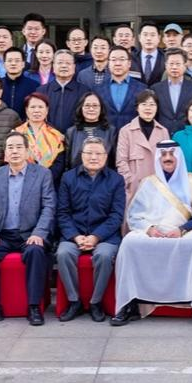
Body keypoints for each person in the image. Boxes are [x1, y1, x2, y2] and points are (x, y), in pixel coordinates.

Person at [111, 142, 192, 327]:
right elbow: (135, 215)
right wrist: (149, 228)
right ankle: (130, 304)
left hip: (182, 232)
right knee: (129, 242)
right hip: (153, 232)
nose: (168, 158)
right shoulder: (148, 182)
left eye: (172, 154)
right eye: (163, 154)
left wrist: (181, 229)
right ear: (158, 158)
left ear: (179, 157)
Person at [0, 133, 57, 327]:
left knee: (36, 251)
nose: (14, 151)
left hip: (30, 233)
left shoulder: (43, 174)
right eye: (10, 147)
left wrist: (39, 233)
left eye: (19, 147)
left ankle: (34, 306)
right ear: (5, 153)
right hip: (3, 234)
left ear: (27, 151)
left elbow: (49, 207)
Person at [55, 136, 125, 323]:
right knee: (63, 254)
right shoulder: (68, 178)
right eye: (89, 153)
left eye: (98, 153)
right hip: (74, 234)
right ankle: (74, 301)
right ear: (82, 155)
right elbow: (62, 213)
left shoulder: (116, 180)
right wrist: (76, 236)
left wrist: (95, 237)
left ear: (106, 156)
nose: (94, 157)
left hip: (105, 236)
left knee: (104, 256)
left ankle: (96, 302)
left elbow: (116, 215)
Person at [117, 88, 172, 203]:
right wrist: (130, 180)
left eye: (152, 104)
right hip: (134, 188)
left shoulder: (163, 131)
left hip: (158, 188)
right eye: (144, 104)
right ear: (137, 108)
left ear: (157, 108)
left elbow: (168, 161)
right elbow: (121, 161)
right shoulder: (126, 131)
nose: (148, 108)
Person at [15, 92, 67, 188]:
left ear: (47, 110)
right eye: (33, 107)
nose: (37, 110)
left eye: (40, 107)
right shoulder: (17, 133)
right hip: (22, 182)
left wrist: (44, 178)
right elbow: (12, 158)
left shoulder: (56, 135)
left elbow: (59, 163)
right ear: (26, 110)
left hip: (49, 183)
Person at [152, 48, 192, 134]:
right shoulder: (156, 89)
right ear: (166, 65)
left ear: (185, 65)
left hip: (187, 134)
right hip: (162, 134)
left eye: (178, 64)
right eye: (171, 64)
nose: (174, 67)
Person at [97, 47, 149, 131]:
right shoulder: (98, 89)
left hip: (132, 135)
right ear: (108, 63)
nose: (118, 63)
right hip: (105, 135)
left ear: (129, 63)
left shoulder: (142, 89)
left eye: (122, 59)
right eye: (113, 60)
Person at [36, 49, 87, 133]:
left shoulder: (84, 91)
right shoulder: (42, 91)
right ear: (53, 66)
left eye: (68, 63)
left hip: (76, 136)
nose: (64, 66)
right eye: (60, 63)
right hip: (48, 137)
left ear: (74, 67)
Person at [65, 91, 116, 172]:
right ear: (81, 108)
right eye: (87, 106)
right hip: (77, 176)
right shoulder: (71, 132)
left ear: (101, 108)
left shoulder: (111, 131)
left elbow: (114, 160)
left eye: (95, 106)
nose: (91, 109)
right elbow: (67, 163)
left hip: (105, 176)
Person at [0, 47, 38, 113]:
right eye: (9, 60)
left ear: (23, 64)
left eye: (17, 61)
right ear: (4, 64)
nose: (13, 63)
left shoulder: (34, 86)